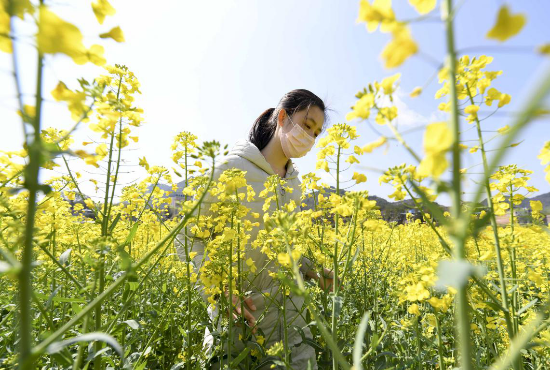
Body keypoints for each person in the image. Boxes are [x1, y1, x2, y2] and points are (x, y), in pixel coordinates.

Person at [175, 89, 334, 369]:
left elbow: (288, 247)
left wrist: (311, 270)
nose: (309, 138)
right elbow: (188, 238)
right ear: (282, 117)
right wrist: (220, 293)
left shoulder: (295, 185)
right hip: (239, 316)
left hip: (291, 314)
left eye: (316, 133)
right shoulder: (229, 168)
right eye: (307, 126)